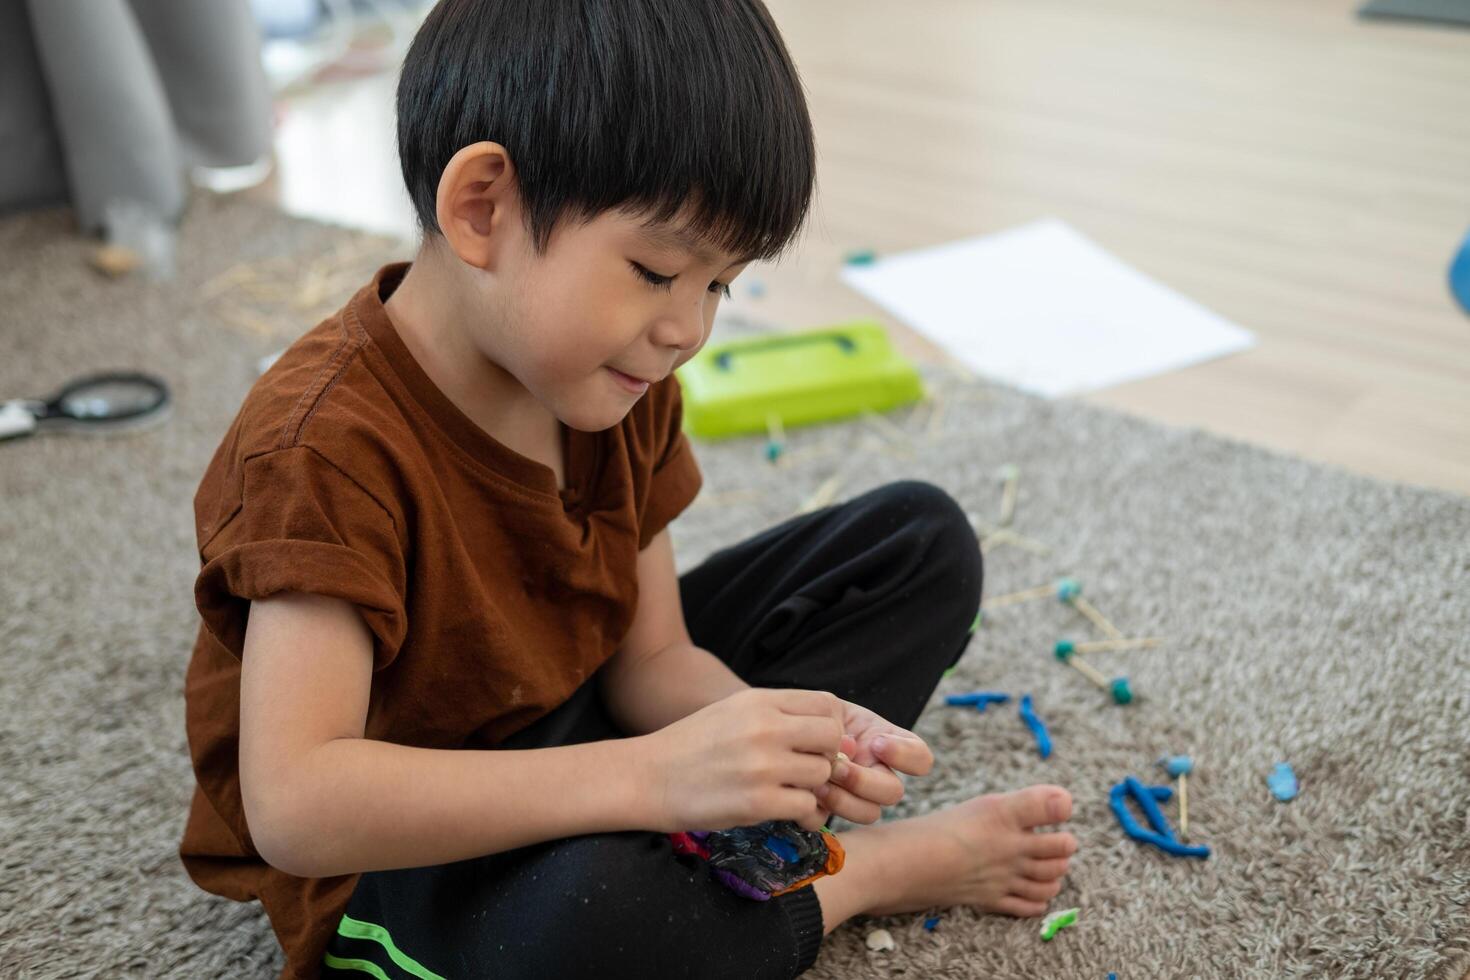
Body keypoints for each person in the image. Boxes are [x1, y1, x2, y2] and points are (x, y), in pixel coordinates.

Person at [177, 1, 1078, 977]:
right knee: (596, 929)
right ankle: (857, 875)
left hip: (581, 727)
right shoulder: (323, 450)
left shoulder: (617, 382)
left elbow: (649, 660)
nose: (688, 327)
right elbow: (299, 807)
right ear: (482, 209)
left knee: (919, 543)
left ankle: (735, 853)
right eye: (657, 270)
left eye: (720, 285)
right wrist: (649, 778)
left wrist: (777, 738)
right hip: (403, 861)